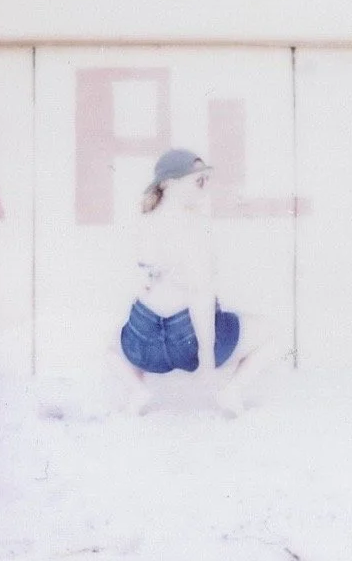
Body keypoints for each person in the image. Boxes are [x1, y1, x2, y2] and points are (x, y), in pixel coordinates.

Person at [116, 148, 278, 417]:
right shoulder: (195, 226)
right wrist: (206, 357)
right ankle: (232, 392)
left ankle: (137, 391)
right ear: (168, 183)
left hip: (144, 343)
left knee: (110, 349)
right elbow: (200, 295)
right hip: (187, 339)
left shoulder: (144, 222)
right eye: (198, 180)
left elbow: (141, 282)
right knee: (271, 334)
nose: (205, 186)